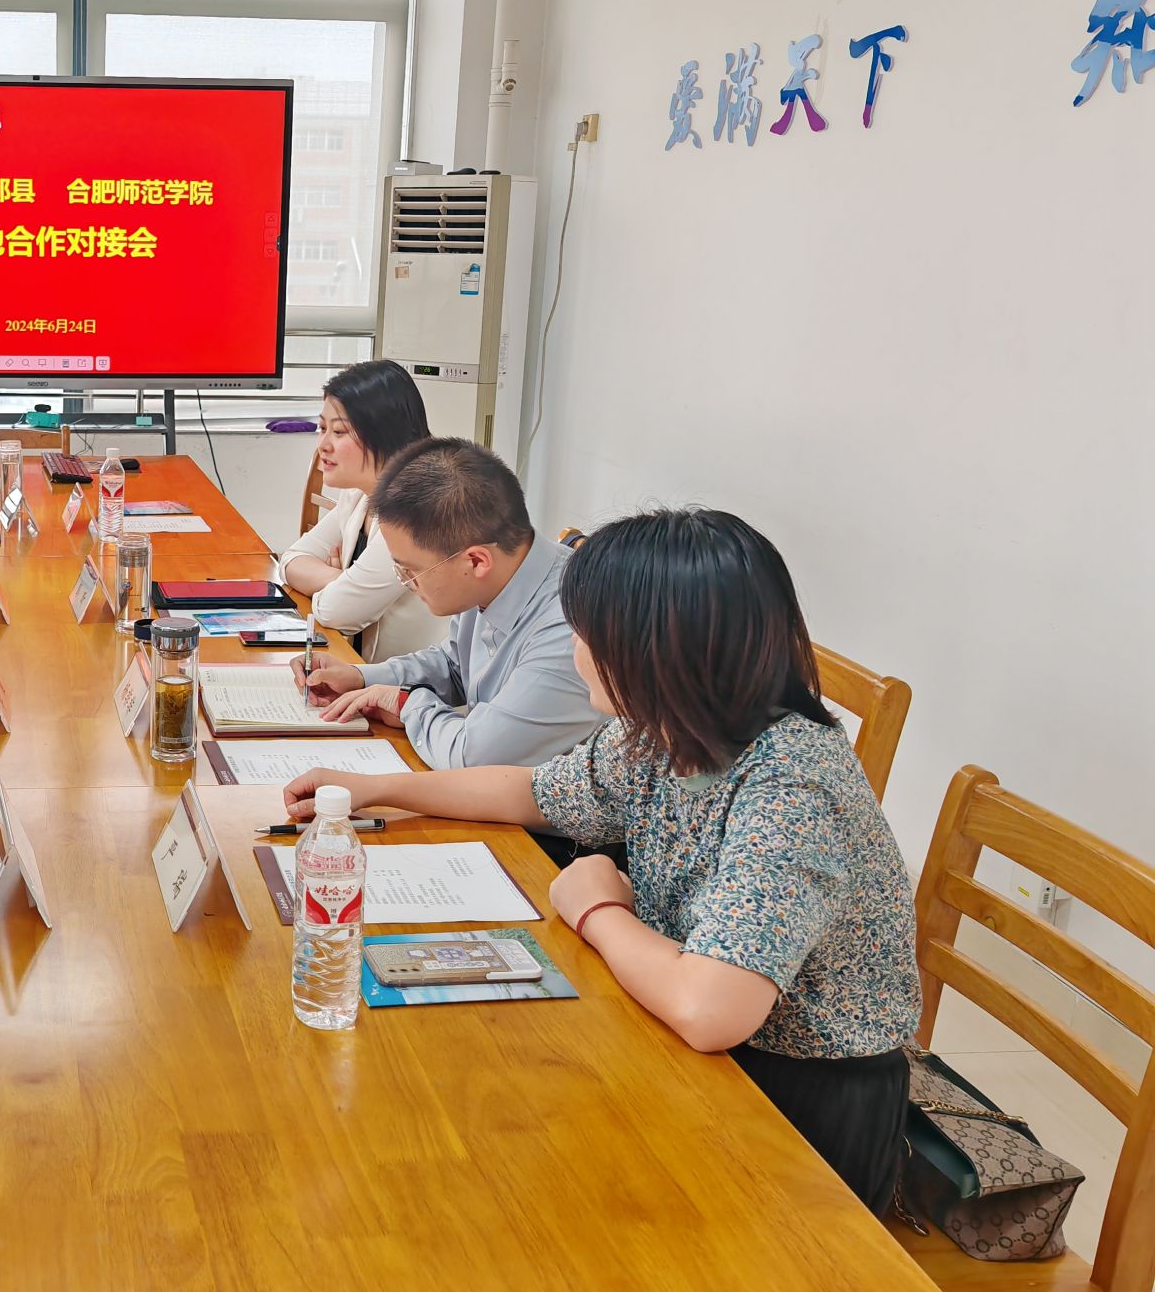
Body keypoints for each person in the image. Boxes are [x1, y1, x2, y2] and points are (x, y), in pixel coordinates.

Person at [281, 508, 922, 1210]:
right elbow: (530, 792)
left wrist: (597, 908)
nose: (574, 647)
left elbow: (711, 1010)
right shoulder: (665, 727)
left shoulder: (792, 787)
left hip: (795, 1102)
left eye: (585, 632)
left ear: (652, 650)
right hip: (680, 1033)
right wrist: (380, 787)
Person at [291, 436, 603, 770]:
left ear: (477, 561)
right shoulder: (498, 574)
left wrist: (408, 703)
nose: (406, 583)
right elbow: (455, 665)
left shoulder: (571, 629)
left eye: (410, 570)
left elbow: (474, 757)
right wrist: (361, 678)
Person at [274, 359, 440, 661]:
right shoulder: (358, 493)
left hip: (407, 684)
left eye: (339, 432)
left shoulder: (416, 508)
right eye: (322, 428)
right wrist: (345, 579)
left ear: (384, 433)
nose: (323, 445)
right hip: (358, 670)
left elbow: (337, 612)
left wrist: (342, 586)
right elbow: (290, 560)